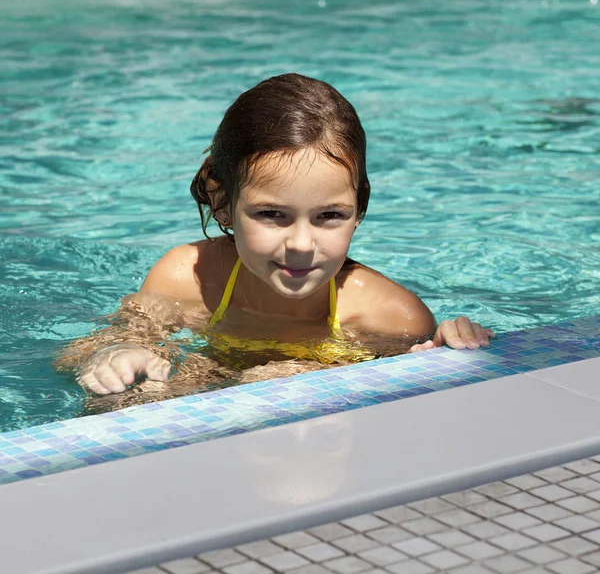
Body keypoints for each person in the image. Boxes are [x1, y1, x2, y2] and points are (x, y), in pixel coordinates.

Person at [61, 73, 494, 400]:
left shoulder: (391, 318)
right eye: (272, 214)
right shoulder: (185, 278)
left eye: (330, 215)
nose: (302, 245)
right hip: (209, 388)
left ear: (359, 209)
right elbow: (88, 348)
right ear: (222, 202)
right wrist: (115, 357)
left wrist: (437, 359)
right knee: (133, 397)